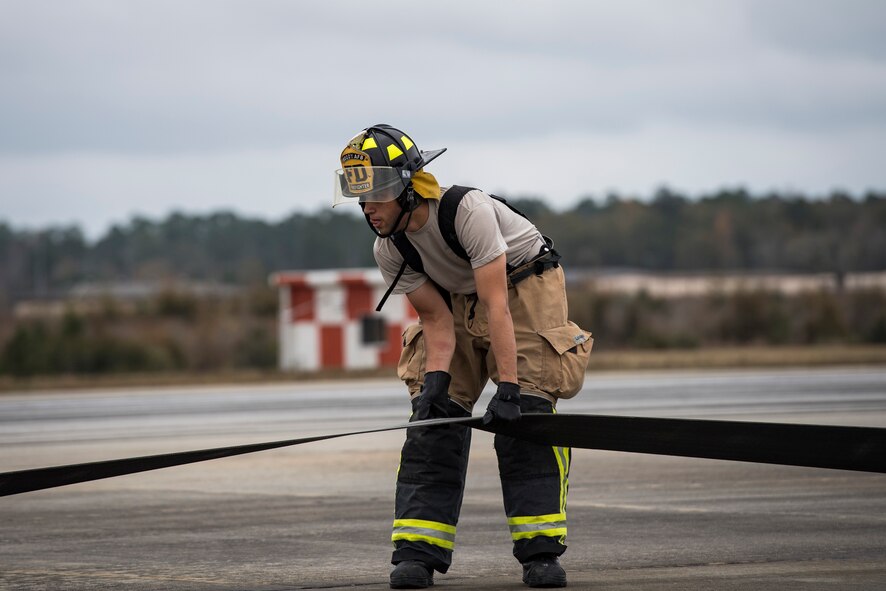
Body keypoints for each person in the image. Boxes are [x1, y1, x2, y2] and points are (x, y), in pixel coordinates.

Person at [332, 124, 593, 589]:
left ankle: (541, 553)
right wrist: (436, 383)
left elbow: (498, 306)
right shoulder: (389, 247)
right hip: (459, 296)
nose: (367, 207)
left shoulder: (466, 211)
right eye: (359, 195)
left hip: (522, 284)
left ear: (409, 188)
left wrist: (509, 388)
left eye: (376, 193)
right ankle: (416, 553)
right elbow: (435, 320)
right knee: (433, 423)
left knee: (525, 420)